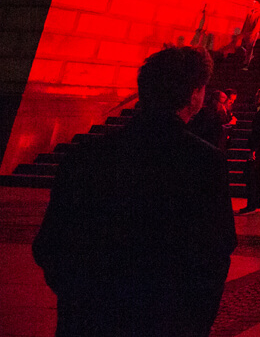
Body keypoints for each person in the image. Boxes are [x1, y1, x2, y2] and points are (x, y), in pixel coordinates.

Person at [33, 46, 236, 337]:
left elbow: (50, 244)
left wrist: (81, 297)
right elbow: (215, 251)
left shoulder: (86, 156)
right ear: (194, 95)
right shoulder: (204, 163)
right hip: (166, 321)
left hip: (88, 320)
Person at [239, 0, 260, 69]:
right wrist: (242, 32)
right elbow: (246, 21)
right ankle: (248, 57)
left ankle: (247, 63)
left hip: (253, 33)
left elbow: (258, 24)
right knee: (244, 46)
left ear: (259, 4)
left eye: (255, 3)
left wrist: (253, 33)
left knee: (250, 47)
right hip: (246, 31)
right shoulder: (250, 11)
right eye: (253, 3)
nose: (254, 4)